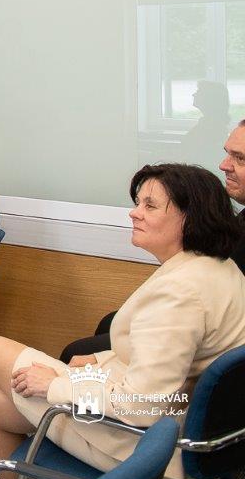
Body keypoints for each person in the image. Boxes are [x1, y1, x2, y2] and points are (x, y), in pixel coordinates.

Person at [0, 163, 245, 479]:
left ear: (189, 218)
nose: (134, 213)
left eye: (150, 206)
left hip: (153, 449)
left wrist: (57, 385)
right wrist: (98, 360)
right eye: (138, 203)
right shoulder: (216, 268)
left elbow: (141, 405)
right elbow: (166, 358)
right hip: (184, 436)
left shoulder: (180, 294)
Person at [61, 119, 245, 363]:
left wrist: (100, 365)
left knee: (75, 352)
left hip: (210, 340)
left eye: (240, 158)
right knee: (110, 323)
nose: (224, 165)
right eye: (227, 154)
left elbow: (150, 387)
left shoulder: (188, 286)